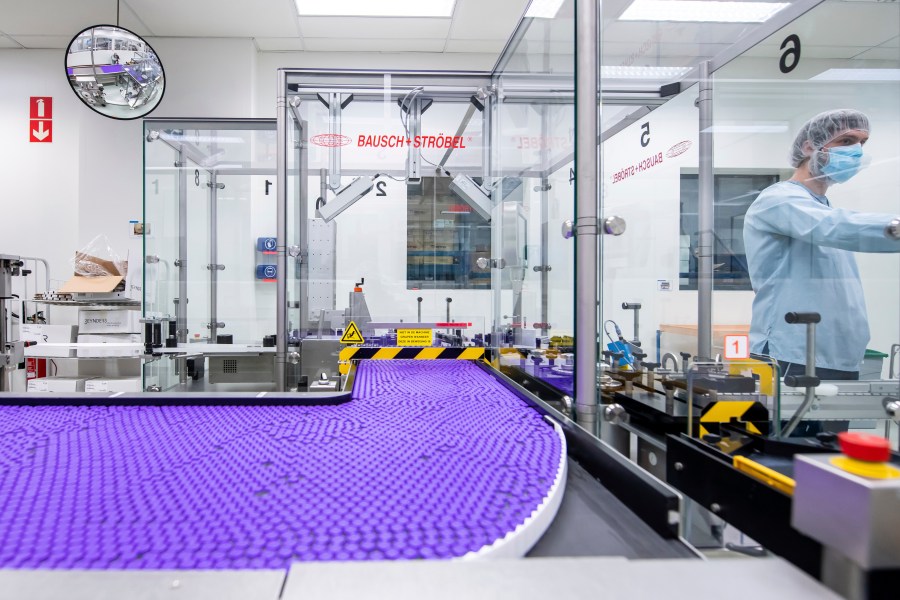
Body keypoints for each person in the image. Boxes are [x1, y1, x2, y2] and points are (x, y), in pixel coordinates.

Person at [744, 109, 899, 381]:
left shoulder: (821, 208)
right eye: (846, 141)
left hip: (839, 354)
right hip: (791, 353)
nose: (857, 151)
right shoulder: (779, 200)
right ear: (809, 146)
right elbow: (835, 226)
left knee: (835, 426)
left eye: (862, 143)